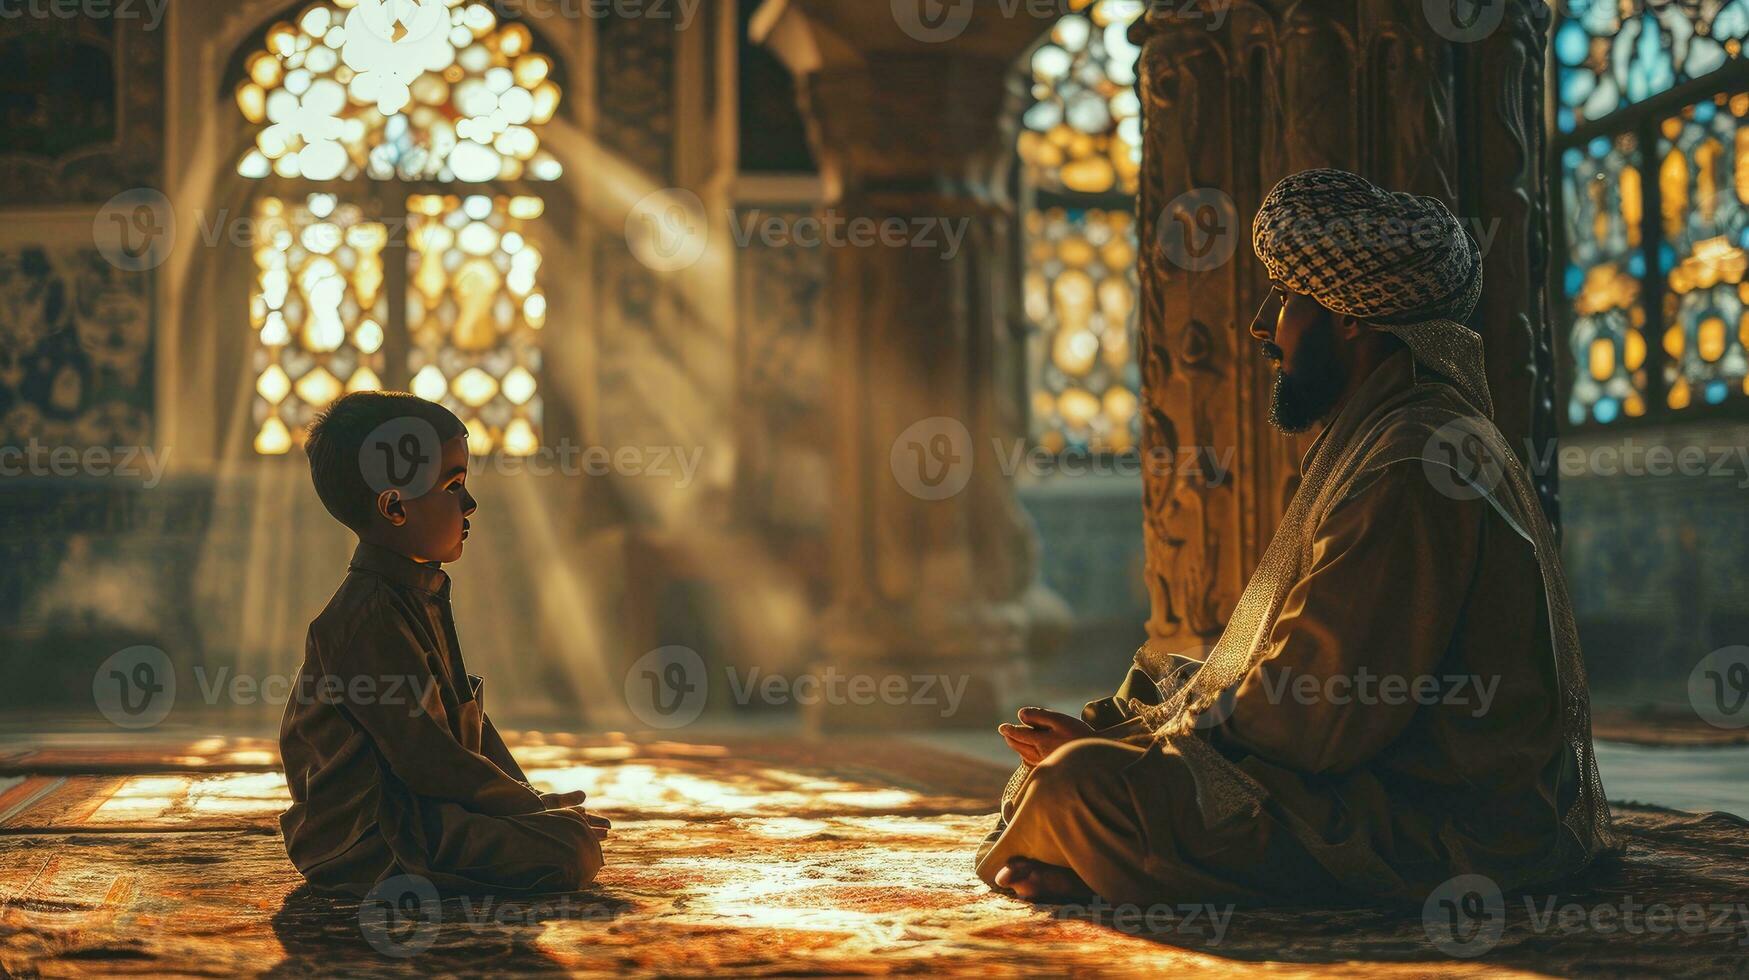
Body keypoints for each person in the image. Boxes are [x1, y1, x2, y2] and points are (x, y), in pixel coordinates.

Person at [976, 169, 1620, 906]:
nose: (1261, 324)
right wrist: (1142, 731)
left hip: (1439, 820)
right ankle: (1106, 858)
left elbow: (1318, 720)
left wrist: (1131, 754)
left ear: (1350, 319)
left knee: (1076, 781)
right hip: (1370, 765)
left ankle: (1106, 858)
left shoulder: (1413, 461)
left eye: (1285, 299)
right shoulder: (1389, 430)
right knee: (1132, 702)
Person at [278, 391, 608, 896]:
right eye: (454, 485)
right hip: (369, 837)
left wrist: (531, 798)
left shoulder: (419, 594)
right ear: (394, 508)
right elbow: (428, 759)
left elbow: (467, 722)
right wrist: (530, 813)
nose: (470, 503)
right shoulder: (365, 620)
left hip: (422, 808)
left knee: (562, 834)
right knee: (567, 849)